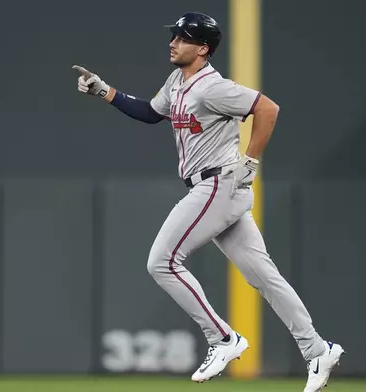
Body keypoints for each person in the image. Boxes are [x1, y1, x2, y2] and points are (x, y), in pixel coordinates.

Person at [72, 11, 344, 392]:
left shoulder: (211, 87)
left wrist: (250, 159)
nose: (173, 42)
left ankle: (223, 339)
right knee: (264, 276)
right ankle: (317, 349)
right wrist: (105, 91)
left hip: (216, 184)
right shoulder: (176, 82)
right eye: (175, 36)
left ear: (203, 48)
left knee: (162, 262)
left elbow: (267, 109)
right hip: (212, 187)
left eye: (183, 38)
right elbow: (151, 113)